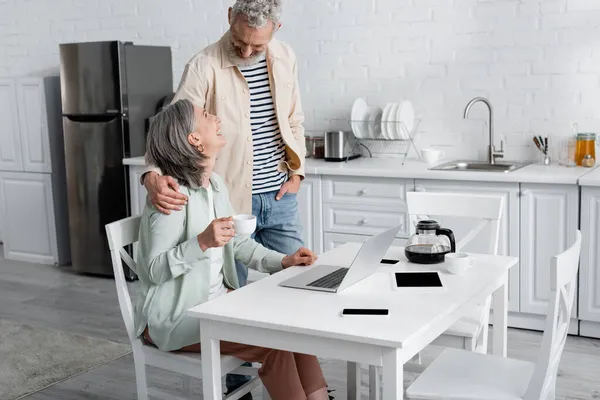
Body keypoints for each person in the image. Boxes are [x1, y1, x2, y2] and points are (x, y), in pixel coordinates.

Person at [140, 1, 307, 395]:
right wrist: (152, 175)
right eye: (240, 42)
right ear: (229, 16)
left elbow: (295, 118)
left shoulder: (285, 57)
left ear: (276, 28)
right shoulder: (203, 66)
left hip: (277, 193)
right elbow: (175, 124)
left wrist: (297, 172)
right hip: (234, 190)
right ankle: (235, 386)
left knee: (299, 305)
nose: (247, 52)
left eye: (257, 46)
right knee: (236, 299)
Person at [134, 99, 328, 400]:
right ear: (194, 140)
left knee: (294, 326)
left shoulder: (215, 184)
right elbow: (152, 270)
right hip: (175, 318)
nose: (215, 118)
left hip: (218, 304)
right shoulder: (171, 198)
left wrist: (284, 260)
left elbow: (237, 242)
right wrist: (201, 242)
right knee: (275, 344)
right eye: (205, 115)